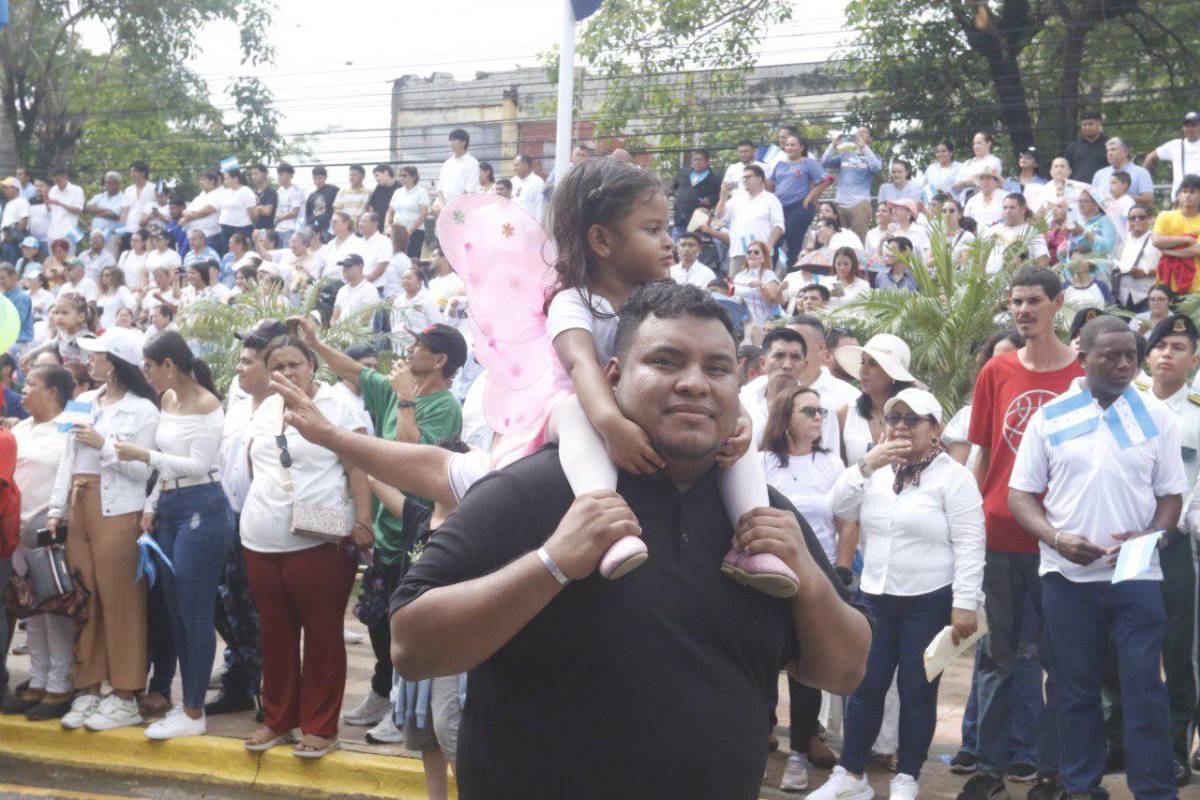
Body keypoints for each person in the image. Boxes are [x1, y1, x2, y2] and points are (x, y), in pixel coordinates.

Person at [389, 280, 870, 798]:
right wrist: (552, 563)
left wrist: (810, 579)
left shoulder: (764, 516)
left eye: (717, 368)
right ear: (612, 377)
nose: (694, 384)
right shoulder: (535, 490)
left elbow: (842, 672)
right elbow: (412, 647)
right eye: (665, 362)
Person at [1008, 315, 1184, 800]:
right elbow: (1020, 495)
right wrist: (1056, 538)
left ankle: (1154, 790)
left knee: (1144, 689)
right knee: (1073, 690)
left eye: (1131, 354)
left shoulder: (1155, 416)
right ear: (1083, 358)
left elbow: (1171, 497)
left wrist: (1151, 536)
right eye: (1112, 355)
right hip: (1066, 577)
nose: (1125, 364)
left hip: (1136, 576)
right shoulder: (1051, 417)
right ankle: (1081, 787)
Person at [817, 387, 984, 800]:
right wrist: (866, 465)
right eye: (894, 419)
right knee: (866, 686)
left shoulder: (954, 478)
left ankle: (907, 777)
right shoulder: (876, 471)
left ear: (935, 428)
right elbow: (836, 506)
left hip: (928, 599)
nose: (901, 427)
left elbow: (970, 543)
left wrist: (965, 603)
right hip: (877, 597)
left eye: (913, 419)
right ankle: (850, 775)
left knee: (916, 690)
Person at [960, 266, 1081, 800]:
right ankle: (990, 768)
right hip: (999, 536)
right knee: (996, 659)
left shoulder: (1082, 376)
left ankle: (1052, 771)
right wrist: (967, 523)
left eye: (1035, 301)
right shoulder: (997, 372)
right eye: (1016, 302)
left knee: (1059, 659)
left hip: (1062, 543)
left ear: (1058, 304)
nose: (1024, 310)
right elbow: (983, 450)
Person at [238, 334, 374, 757]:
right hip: (261, 539)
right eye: (277, 366)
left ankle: (320, 727)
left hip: (322, 540)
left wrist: (364, 522)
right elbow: (253, 466)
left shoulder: (337, 405)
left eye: (294, 364)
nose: (285, 373)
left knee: (322, 637)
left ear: (312, 366)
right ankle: (278, 720)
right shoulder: (264, 409)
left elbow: (358, 466)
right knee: (276, 636)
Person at [109, 332, 233, 739]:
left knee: (194, 612)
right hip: (170, 507)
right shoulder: (167, 400)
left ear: (169, 365)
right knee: (176, 609)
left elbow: (197, 466)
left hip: (203, 507)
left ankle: (193, 711)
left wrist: (142, 454)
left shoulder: (207, 402)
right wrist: (151, 507)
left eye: (150, 367)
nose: (146, 375)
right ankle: (189, 705)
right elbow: (169, 469)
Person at [47, 328, 159, 732]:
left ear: (113, 362)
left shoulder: (144, 410)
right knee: (85, 599)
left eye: (97, 355)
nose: (89, 360)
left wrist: (104, 444)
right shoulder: (81, 402)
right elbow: (67, 458)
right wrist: (56, 508)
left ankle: (126, 693)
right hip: (79, 504)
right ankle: (89, 688)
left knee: (121, 601)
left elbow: (145, 468)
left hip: (118, 508)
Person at [761, 384, 852, 792]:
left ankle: (798, 752)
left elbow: (847, 521)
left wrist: (842, 570)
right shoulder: (762, 463)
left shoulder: (832, 466)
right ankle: (755, 747)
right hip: (764, 576)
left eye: (822, 412)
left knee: (806, 669)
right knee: (761, 664)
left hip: (815, 579)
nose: (818, 418)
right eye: (809, 411)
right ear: (786, 417)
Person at [1130, 315, 1200, 784]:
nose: (1167, 354)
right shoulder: (1124, 406)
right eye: (1159, 346)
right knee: (1129, 649)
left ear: (1194, 358)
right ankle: (1127, 742)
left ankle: (1175, 748)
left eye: (1178, 346)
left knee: (1178, 651)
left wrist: (1176, 526)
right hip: (1127, 544)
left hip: (1178, 545)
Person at [1, 365, 73, 720]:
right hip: (16, 537)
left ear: (54, 392)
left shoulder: (69, 431)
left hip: (49, 535)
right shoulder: (21, 428)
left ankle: (61, 685)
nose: (23, 389)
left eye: (32, 384)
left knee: (54, 611)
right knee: (32, 614)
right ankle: (39, 679)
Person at [835, 333, 918, 467]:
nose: (863, 370)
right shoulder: (844, 414)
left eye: (873, 363)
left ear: (893, 373)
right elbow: (837, 471)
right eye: (863, 362)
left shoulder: (920, 414)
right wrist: (868, 465)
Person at [770, 136, 831, 265]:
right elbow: (771, 185)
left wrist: (810, 196)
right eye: (787, 145)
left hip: (798, 207)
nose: (789, 148)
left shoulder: (808, 163)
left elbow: (827, 180)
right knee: (774, 242)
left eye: (793, 145)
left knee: (793, 241)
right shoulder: (780, 164)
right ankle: (771, 276)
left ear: (801, 147)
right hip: (779, 208)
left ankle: (792, 274)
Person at [715, 164, 784, 272]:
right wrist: (722, 198)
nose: (745, 180)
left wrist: (768, 247)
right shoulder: (736, 198)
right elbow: (719, 217)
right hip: (738, 252)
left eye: (748, 177)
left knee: (763, 285)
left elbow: (778, 226)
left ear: (760, 179)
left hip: (761, 253)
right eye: (744, 178)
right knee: (736, 286)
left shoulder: (771, 199)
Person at [820, 126, 882, 239]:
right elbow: (824, 162)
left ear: (871, 138)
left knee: (859, 238)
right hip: (840, 203)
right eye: (858, 133)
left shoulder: (874, 156)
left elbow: (876, 167)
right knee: (837, 238)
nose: (860, 134)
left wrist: (864, 147)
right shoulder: (846, 153)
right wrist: (832, 146)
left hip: (860, 203)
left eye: (864, 132)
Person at [1152, 173, 1200, 295]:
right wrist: (1186, 239)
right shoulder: (1165, 216)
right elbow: (1156, 241)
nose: (1187, 195)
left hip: (1195, 285)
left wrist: (1169, 251)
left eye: (1192, 192)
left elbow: (1196, 250)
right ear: (1178, 195)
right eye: (1184, 191)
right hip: (1166, 282)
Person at [986, 193, 1051, 274]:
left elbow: (1043, 260)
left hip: (1018, 282)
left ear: (1023, 210)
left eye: (1012, 208)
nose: (1008, 211)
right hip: (989, 282)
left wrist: (1031, 281)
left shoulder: (1032, 233)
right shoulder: (991, 231)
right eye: (1005, 208)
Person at [1145, 111, 1200, 202]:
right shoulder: (1175, 145)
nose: (1190, 129)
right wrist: (1145, 182)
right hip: (1179, 201)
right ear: (1183, 128)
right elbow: (1150, 157)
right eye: (1187, 126)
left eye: (1194, 125)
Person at [1114, 204, 1160, 312]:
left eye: (1141, 217)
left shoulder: (1156, 239)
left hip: (1147, 297)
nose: (1137, 220)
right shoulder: (1122, 239)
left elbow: (1166, 269)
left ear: (1149, 219)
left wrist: (1146, 272)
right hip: (1121, 297)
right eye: (1132, 218)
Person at [732, 240, 783, 337]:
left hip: (762, 322)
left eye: (756, 252)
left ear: (763, 257)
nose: (752, 254)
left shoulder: (768, 275)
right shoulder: (739, 275)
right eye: (749, 252)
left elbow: (773, 301)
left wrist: (761, 286)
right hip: (741, 321)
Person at [1093, 138, 1155, 207]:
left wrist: (1125, 198)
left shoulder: (1141, 172)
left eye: (1113, 149)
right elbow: (1092, 199)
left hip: (1131, 216)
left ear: (1125, 152)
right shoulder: (1099, 174)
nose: (1109, 153)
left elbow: (1149, 200)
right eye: (1107, 151)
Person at [386, 166, 431, 259]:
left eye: (404, 175)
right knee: (395, 258)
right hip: (397, 232)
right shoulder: (397, 192)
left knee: (412, 260)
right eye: (400, 176)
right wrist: (387, 226)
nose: (401, 178)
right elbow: (390, 211)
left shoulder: (421, 192)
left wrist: (410, 230)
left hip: (414, 233)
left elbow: (424, 213)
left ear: (413, 177)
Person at [330, 254, 380, 326]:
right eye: (344, 266)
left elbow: (365, 319)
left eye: (348, 266)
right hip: (339, 334)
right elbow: (334, 318)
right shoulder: (342, 290)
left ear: (360, 267)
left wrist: (344, 331)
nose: (344, 269)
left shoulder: (370, 289)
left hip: (358, 336)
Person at [436, 129, 480, 208]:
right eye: (450, 140)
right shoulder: (447, 163)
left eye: (454, 140)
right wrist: (443, 206)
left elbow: (470, 188)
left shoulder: (472, 162)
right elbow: (440, 187)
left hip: (463, 207)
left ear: (463, 142)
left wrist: (455, 206)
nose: (451, 143)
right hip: (445, 207)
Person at [954, 132, 1004, 200]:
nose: (975, 146)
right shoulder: (968, 163)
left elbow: (989, 180)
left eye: (979, 143)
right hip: (963, 201)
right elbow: (957, 184)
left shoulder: (994, 161)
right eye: (974, 144)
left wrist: (964, 183)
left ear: (988, 144)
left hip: (985, 199)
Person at [1061, 111, 1108, 184]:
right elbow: (1065, 170)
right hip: (1077, 190)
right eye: (1084, 124)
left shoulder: (1109, 146)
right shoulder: (1073, 147)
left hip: (1101, 189)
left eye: (1091, 124)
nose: (1087, 127)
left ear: (1099, 124)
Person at [218, 169, 256, 250]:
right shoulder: (226, 192)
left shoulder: (246, 191)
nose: (224, 181)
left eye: (226, 179)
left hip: (241, 228)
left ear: (235, 179)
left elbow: (253, 213)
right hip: (225, 228)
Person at [86, 171, 127, 243]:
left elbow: (113, 215)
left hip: (111, 236)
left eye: (110, 182)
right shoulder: (99, 196)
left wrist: (96, 211)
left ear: (117, 184)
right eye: (106, 182)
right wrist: (106, 210)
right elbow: (88, 208)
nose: (107, 185)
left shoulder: (123, 198)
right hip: (95, 234)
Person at [45, 168, 84, 245]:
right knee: (53, 257)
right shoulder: (53, 190)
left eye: (59, 181)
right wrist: (46, 202)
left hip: (69, 232)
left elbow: (78, 210)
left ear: (65, 177)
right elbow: (50, 211)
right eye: (55, 181)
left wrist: (60, 203)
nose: (57, 183)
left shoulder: (77, 190)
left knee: (69, 256)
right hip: (53, 232)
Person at [119, 161, 155, 243]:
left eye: (134, 171)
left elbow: (157, 209)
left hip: (146, 232)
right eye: (131, 172)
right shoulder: (128, 190)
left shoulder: (153, 188)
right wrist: (119, 233)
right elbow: (124, 212)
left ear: (142, 173)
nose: (131, 174)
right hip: (128, 230)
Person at [0, 264, 32, 347]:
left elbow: (15, 323)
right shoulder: (3, 296)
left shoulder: (21, 297)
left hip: (18, 343)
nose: (0, 282)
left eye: (2, 278)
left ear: (14, 277)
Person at [95, 266, 137, 331]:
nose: (104, 277)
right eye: (102, 275)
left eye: (107, 275)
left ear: (115, 276)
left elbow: (132, 305)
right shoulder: (102, 293)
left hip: (116, 328)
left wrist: (123, 319)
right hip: (101, 328)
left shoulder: (122, 289)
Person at [273, 163, 304, 246]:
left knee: (287, 255)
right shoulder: (279, 191)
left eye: (282, 174)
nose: (279, 177)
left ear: (290, 176)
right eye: (278, 174)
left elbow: (294, 212)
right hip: (278, 229)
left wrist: (280, 218)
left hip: (290, 229)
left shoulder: (296, 190)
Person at [305, 166, 339, 241]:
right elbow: (307, 214)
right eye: (315, 178)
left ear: (325, 178)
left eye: (320, 178)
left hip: (329, 229)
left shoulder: (333, 189)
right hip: (314, 230)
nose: (317, 181)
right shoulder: (311, 195)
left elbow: (338, 208)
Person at [248, 163, 277, 232]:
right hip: (252, 230)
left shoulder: (271, 192)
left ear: (264, 174)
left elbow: (267, 211)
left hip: (266, 231)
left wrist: (253, 209)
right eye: (252, 174)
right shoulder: (251, 193)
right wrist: (260, 208)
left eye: (256, 173)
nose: (253, 177)